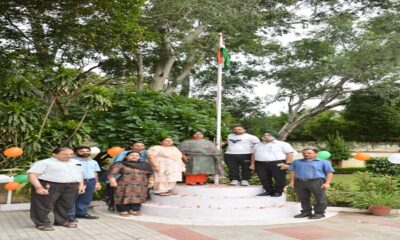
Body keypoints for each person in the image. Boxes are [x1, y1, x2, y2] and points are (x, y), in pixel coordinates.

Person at [28, 147, 85, 231]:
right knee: (43, 204)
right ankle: (42, 223)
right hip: (50, 185)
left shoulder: (76, 162)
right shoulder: (44, 162)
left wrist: (81, 185)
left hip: (71, 186)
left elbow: (79, 174)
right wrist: (38, 187)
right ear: (54, 154)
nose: (69, 156)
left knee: (66, 204)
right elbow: (32, 175)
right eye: (65, 154)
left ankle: (61, 221)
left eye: (71, 154)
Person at [289, 148, 334, 219]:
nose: (306, 154)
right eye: (304, 153)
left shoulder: (323, 162)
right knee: (303, 198)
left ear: (315, 154)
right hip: (300, 182)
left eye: (309, 153)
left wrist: (327, 183)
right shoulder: (296, 162)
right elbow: (292, 171)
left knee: (320, 198)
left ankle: (319, 213)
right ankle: (306, 212)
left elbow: (329, 172)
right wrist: (292, 181)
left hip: (317, 181)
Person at [250, 130, 295, 197]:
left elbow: (289, 154)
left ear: (274, 136)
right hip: (260, 163)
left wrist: (287, 164)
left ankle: (278, 191)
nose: (266, 136)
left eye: (268, 135)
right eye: (264, 135)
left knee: (279, 178)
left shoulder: (283, 144)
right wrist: (252, 164)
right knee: (264, 178)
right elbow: (253, 155)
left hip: (277, 163)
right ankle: (268, 191)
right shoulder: (258, 145)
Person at [108, 151, 153, 216]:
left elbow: (151, 174)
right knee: (123, 196)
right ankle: (123, 210)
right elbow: (111, 173)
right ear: (126, 156)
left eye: (137, 155)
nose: (135, 157)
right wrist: (112, 180)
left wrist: (151, 182)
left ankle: (134, 209)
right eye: (132, 155)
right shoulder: (120, 164)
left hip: (141, 185)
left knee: (138, 197)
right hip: (124, 184)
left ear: (139, 157)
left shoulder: (145, 164)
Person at [68, 146, 102, 221]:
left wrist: (97, 183)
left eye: (87, 151)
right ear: (76, 152)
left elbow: (95, 173)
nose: (85, 152)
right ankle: (70, 215)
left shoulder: (93, 161)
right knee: (73, 198)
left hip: (91, 181)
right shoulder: (72, 161)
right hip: (76, 182)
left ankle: (81, 213)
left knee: (86, 198)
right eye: (82, 151)